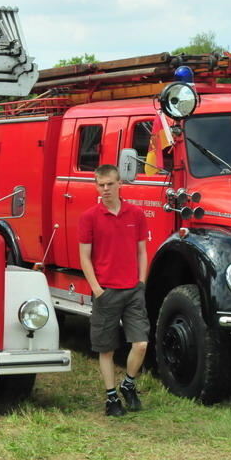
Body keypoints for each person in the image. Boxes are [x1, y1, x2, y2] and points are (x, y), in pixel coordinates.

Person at [78, 164, 150, 417]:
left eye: (110, 184)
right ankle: (111, 399)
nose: (106, 189)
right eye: (101, 185)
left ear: (120, 184)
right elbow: (84, 257)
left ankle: (128, 384)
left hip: (133, 290)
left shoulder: (136, 214)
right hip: (106, 291)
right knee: (106, 349)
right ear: (96, 186)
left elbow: (142, 251)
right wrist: (97, 289)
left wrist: (141, 281)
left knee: (140, 343)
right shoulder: (89, 217)